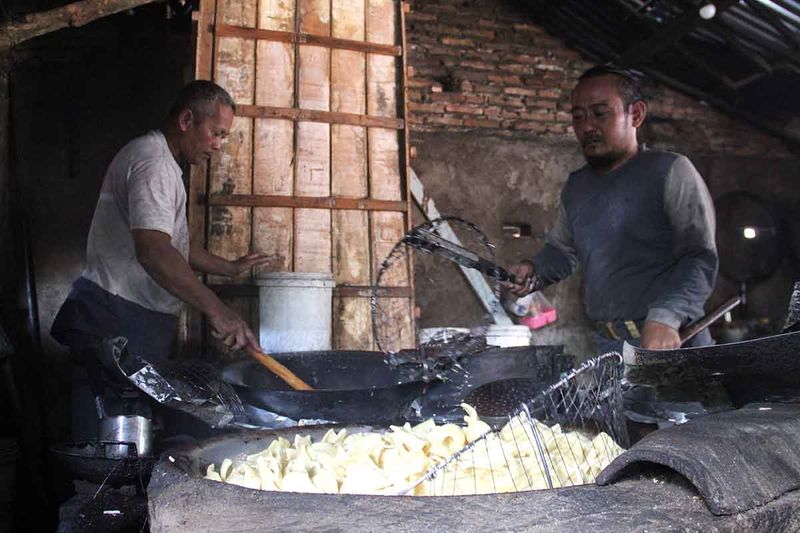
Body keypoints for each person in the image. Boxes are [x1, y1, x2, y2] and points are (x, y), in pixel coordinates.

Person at [51, 80, 269, 366]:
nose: (217, 145)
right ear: (186, 119)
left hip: (130, 315)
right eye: (215, 133)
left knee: (125, 409)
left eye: (223, 137)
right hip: (117, 315)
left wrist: (229, 268)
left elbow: (173, 245)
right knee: (114, 410)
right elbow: (154, 251)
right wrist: (218, 311)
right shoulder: (153, 164)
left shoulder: (162, 163)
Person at [507, 64, 718, 354]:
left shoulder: (670, 171)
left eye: (600, 113)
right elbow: (563, 251)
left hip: (670, 343)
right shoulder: (576, 187)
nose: (587, 126)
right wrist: (533, 270)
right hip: (610, 347)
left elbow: (698, 258)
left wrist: (666, 317)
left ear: (636, 114)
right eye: (578, 117)